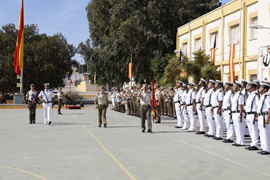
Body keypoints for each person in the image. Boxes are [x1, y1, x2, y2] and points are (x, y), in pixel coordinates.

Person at [245, 81, 259, 150]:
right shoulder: (250, 95)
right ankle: (252, 143)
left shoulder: (255, 95)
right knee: (250, 130)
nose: (247, 87)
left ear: (252, 88)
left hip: (253, 114)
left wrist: (257, 115)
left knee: (254, 130)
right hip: (248, 114)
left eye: (249, 86)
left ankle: (255, 144)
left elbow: (257, 106)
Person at [256, 82, 270, 155]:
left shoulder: (267, 97)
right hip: (261, 116)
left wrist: (267, 119)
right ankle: (264, 148)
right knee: (262, 133)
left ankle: (267, 149)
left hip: (265, 117)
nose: (259, 89)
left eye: (261, 88)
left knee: (265, 133)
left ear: (265, 89)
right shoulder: (262, 96)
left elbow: (269, 109)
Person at [231, 81, 245, 146]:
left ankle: (241, 142)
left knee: (239, 128)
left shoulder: (240, 95)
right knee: (236, 128)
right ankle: (238, 141)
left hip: (238, 113)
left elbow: (241, 105)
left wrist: (240, 114)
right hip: (234, 113)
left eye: (234, 86)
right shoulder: (235, 95)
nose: (233, 87)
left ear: (238, 87)